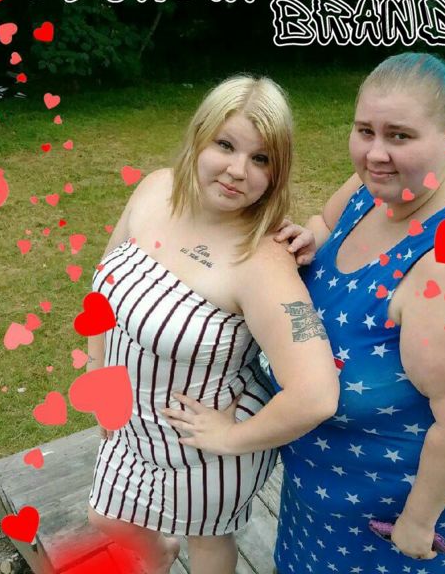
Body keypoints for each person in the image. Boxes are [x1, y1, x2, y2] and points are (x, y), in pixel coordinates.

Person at [170, 53, 445, 574]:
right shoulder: (395, 183)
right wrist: (310, 238)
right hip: (331, 488)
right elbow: (329, 221)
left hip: (389, 517)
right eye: (365, 130)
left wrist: (417, 521)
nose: (375, 153)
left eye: (399, 136)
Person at [85, 75, 339, 574]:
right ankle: (159, 553)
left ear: (276, 173)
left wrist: (229, 439)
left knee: (207, 541)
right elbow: (103, 291)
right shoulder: (155, 189)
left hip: (204, 446)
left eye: (260, 158)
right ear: (199, 138)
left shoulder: (263, 261)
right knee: (105, 516)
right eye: (225, 145)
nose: (237, 171)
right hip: (132, 425)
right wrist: (97, 372)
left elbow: (317, 394)